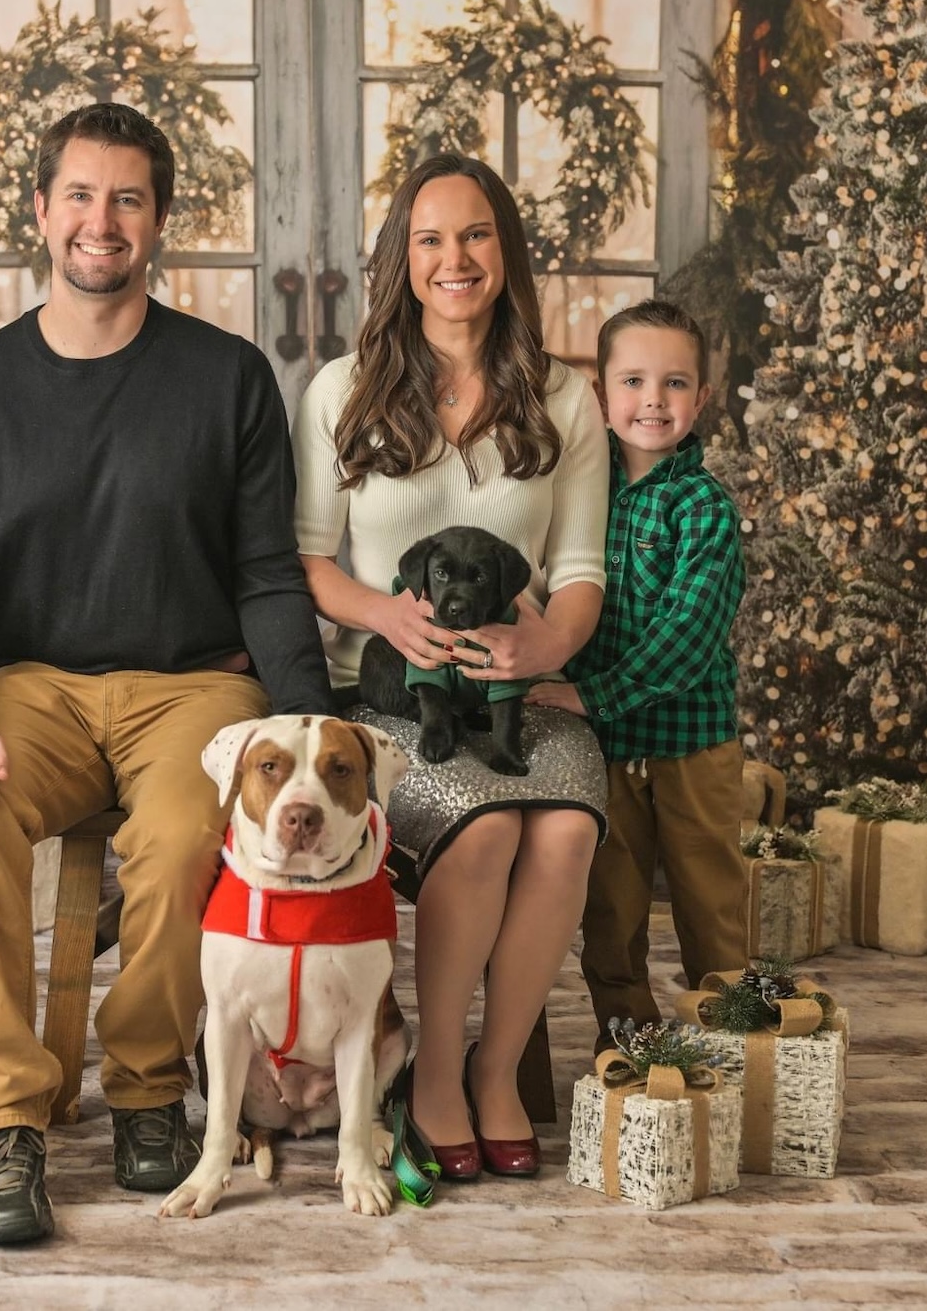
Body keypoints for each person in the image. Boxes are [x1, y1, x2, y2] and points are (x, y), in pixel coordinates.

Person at [0, 102, 332, 1246]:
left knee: (194, 825)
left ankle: (146, 1088)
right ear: (39, 213)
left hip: (193, 684)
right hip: (30, 682)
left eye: (126, 198)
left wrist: (309, 731)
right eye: (79, 195)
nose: (101, 220)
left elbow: (267, 572)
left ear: (159, 220)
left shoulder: (227, 377)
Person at [294, 154, 609, 1182]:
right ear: (401, 259)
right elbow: (303, 560)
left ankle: (496, 1070)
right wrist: (383, 612)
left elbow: (576, 572)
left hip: (520, 688)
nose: (453, 259)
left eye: (473, 236)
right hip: (391, 701)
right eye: (429, 239)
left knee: (560, 824)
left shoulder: (563, 397)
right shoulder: (342, 389)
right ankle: (431, 1076)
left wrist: (546, 644)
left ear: (504, 253)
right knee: (481, 830)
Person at [526, 298, 748, 1040]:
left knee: (708, 896)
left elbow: (688, 635)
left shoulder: (704, 507)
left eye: (676, 383)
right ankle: (631, 1040)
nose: (653, 400)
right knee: (610, 906)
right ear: (601, 395)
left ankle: (730, 1040)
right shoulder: (577, 495)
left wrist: (590, 695)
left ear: (703, 398)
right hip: (608, 750)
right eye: (634, 381)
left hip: (692, 742)